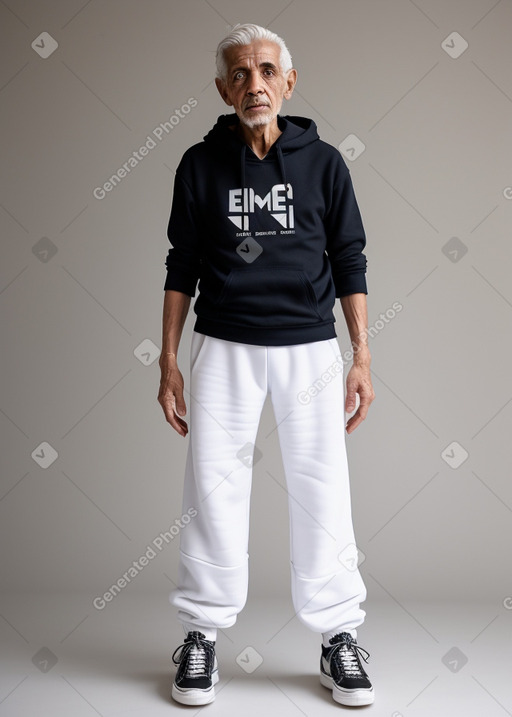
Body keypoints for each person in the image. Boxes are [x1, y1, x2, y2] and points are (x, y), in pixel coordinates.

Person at [158, 23, 376, 708]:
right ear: (224, 88)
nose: (254, 83)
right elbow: (180, 266)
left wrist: (361, 353)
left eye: (266, 70)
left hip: (309, 345)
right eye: (240, 73)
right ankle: (201, 635)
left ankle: (339, 634)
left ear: (287, 81)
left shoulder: (325, 164)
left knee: (323, 489)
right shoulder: (199, 164)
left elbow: (350, 259)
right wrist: (168, 359)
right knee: (212, 490)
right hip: (224, 345)